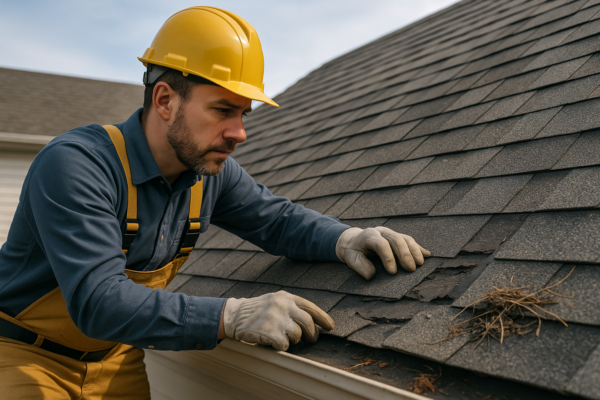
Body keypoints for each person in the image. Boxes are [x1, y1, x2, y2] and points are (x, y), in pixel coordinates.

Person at [0, 6, 430, 398]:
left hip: (115, 358)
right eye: (223, 110)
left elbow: (276, 220)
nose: (239, 132)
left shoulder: (209, 173)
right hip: (23, 357)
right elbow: (99, 302)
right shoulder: (77, 165)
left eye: (244, 114)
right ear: (165, 100)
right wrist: (233, 315)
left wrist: (346, 238)